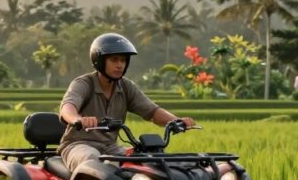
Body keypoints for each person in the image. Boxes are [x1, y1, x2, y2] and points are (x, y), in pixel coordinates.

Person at [58, 33, 195, 172]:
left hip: (111, 147)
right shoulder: (84, 83)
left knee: (148, 163)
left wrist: (176, 121)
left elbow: (152, 111)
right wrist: (78, 119)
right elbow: (67, 108)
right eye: (114, 60)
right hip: (78, 145)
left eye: (123, 61)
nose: (120, 65)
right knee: (93, 162)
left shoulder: (125, 86)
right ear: (99, 61)